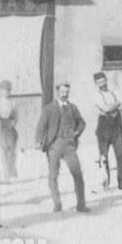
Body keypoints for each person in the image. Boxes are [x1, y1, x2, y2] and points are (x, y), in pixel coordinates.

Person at [35, 82, 88, 213]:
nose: (65, 95)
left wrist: (76, 133)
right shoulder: (48, 108)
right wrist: (39, 140)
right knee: (53, 176)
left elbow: (82, 123)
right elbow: (41, 126)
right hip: (54, 145)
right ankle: (57, 204)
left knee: (78, 175)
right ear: (57, 92)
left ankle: (81, 205)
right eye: (63, 92)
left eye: (67, 92)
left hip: (69, 145)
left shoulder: (73, 108)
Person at [92, 71, 122, 191]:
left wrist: (119, 105)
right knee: (104, 156)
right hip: (104, 126)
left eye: (103, 81)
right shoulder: (96, 95)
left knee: (120, 154)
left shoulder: (114, 92)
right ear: (96, 84)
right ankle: (105, 183)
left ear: (106, 80)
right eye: (99, 82)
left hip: (116, 126)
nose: (102, 84)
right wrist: (118, 103)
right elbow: (106, 108)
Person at [0, 80, 18, 180]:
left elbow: (16, 116)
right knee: (1, 151)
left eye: (8, 90)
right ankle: (3, 174)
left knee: (11, 152)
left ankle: (11, 173)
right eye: (4, 90)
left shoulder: (13, 102)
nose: (7, 92)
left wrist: (13, 123)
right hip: (0, 128)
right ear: (0, 90)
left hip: (10, 128)